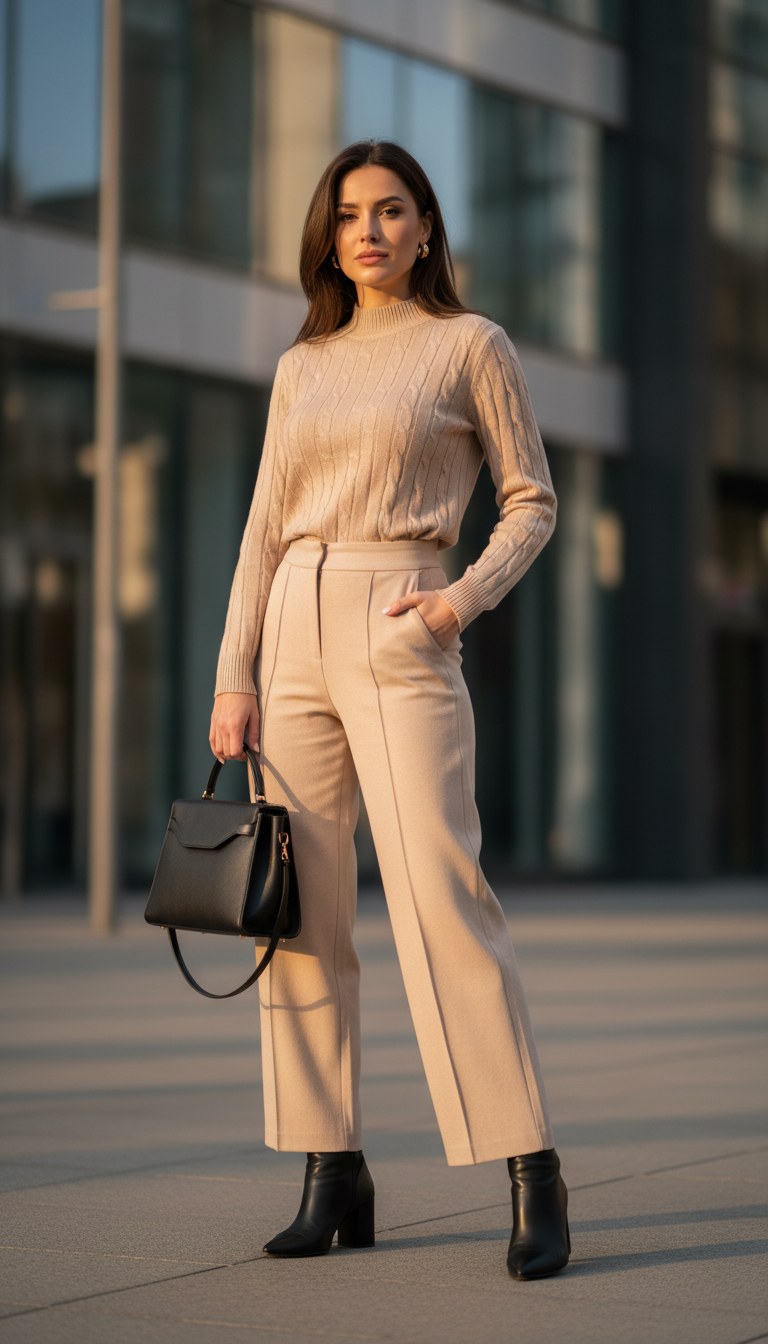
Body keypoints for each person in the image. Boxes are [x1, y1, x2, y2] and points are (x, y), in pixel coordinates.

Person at [209, 140, 569, 1280]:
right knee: (302, 920)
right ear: (328, 234)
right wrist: (236, 674)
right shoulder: (301, 365)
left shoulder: (471, 347)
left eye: (393, 210)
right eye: (351, 213)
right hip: (297, 626)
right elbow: (264, 530)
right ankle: (331, 1169)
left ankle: (530, 1168)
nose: (369, 229)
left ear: (425, 228)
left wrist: (457, 604)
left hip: (402, 618)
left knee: (441, 896)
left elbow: (532, 502)